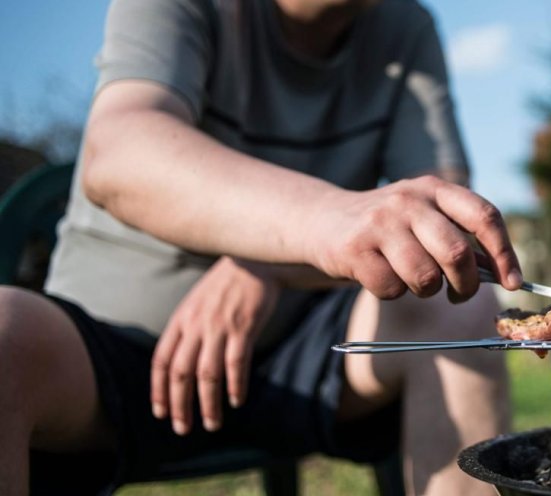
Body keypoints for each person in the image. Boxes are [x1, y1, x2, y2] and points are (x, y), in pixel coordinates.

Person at [0, 0, 523, 494]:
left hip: (304, 350)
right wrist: (323, 219)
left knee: (461, 306)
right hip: (109, 351)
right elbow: (118, 151)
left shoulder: (405, 26)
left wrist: (266, 265)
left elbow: (445, 230)